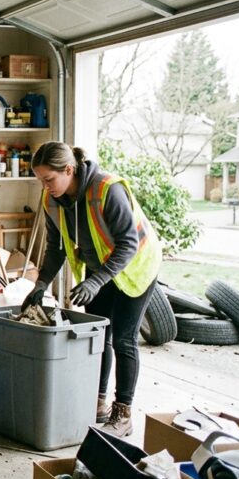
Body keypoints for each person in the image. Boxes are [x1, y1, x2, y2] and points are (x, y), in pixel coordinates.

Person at [21, 141, 161, 437]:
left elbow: (128, 243)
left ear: (68, 170)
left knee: (123, 340)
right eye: (40, 180)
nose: (46, 187)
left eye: (49, 179)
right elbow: (55, 249)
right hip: (100, 271)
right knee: (99, 338)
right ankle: (97, 403)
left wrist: (96, 281)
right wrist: (41, 284)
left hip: (135, 267)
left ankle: (123, 413)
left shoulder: (107, 189)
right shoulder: (52, 201)